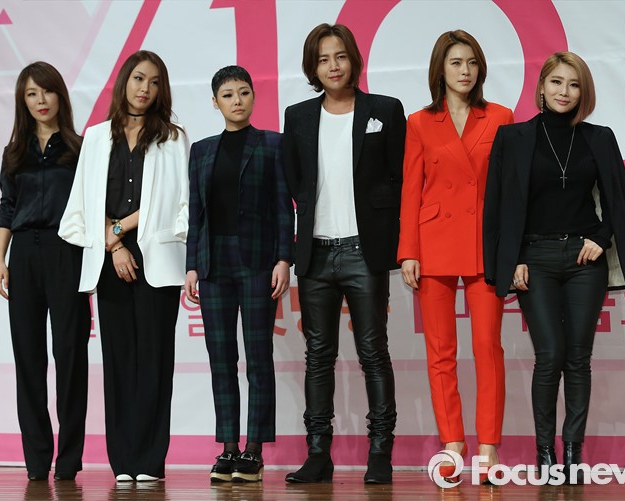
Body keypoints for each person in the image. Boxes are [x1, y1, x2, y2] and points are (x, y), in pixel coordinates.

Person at [483, 51, 625, 483]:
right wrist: (511, 259)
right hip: (534, 259)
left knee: (577, 358)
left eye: (574, 84)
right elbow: (498, 206)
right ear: (541, 87)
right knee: (550, 355)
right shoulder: (513, 137)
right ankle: (545, 453)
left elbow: (616, 200)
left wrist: (601, 238)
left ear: (583, 92)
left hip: (583, 260)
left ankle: (572, 453)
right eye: (556, 82)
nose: (564, 91)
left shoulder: (599, 138)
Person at [282, 23, 406, 484]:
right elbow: (295, 181)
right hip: (315, 253)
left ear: (353, 59)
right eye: (323, 59)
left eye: (340, 56)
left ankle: (380, 453)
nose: (333, 66)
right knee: (318, 355)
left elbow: (398, 178)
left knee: (373, 352)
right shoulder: (297, 116)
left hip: (363, 250)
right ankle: (318, 454)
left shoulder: (384, 110)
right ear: (312, 68)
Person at [59, 50, 189, 482]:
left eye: (154, 82)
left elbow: (179, 205)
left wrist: (121, 228)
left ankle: (149, 461)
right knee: (118, 362)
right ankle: (124, 462)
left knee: (154, 360)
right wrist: (113, 243)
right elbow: (83, 201)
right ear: (124, 82)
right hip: (108, 258)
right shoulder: (96, 137)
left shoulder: (173, 138)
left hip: (156, 259)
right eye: (138, 78)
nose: (144, 88)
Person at [397, 30, 514, 485]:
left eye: (471, 62)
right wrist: (408, 251)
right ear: (440, 70)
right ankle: (452, 444)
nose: (465, 71)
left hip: (486, 243)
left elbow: (511, 189)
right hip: (434, 243)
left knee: (488, 347)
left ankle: (488, 446)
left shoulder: (501, 117)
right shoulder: (419, 122)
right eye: (455, 63)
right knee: (441, 352)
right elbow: (411, 190)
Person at [184, 65, 294, 483]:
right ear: (215, 102)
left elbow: (284, 207)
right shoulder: (201, 151)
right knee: (221, 359)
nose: (237, 100)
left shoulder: (273, 144)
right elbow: (196, 214)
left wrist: (283, 259)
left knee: (258, 357)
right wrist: (192, 265)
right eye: (228, 94)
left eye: (243, 92)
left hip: (258, 261)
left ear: (253, 97)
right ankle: (228, 447)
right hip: (213, 264)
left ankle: (254, 450)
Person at [0, 61, 91, 481]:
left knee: (70, 355)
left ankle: (68, 459)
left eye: (46, 91)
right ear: (23, 101)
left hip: (66, 252)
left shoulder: (80, 148)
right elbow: (7, 207)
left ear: (60, 96)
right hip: (24, 256)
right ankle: (36, 460)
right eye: (31, 94)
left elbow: (91, 204)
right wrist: (0, 259)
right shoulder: (14, 152)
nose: (40, 100)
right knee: (28, 359)